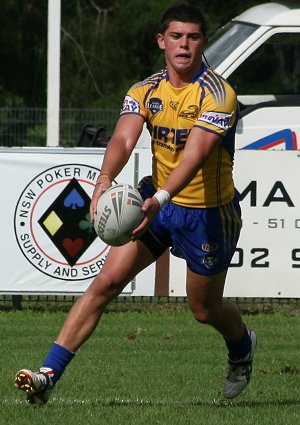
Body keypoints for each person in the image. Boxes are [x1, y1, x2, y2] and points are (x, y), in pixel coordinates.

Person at [15, 2, 256, 404]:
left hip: (208, 214)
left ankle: (242, 348)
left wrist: (161, 199)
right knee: (105, 284)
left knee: (204, 308)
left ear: (204, 42)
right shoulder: (145, 90)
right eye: (176, 36)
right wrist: (104, 181)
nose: (184, 45)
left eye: (193, 37)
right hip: (154, 201)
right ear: (161, 41)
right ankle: (47, 376)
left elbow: (195, 154)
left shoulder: (219, 93)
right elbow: (123, 140)